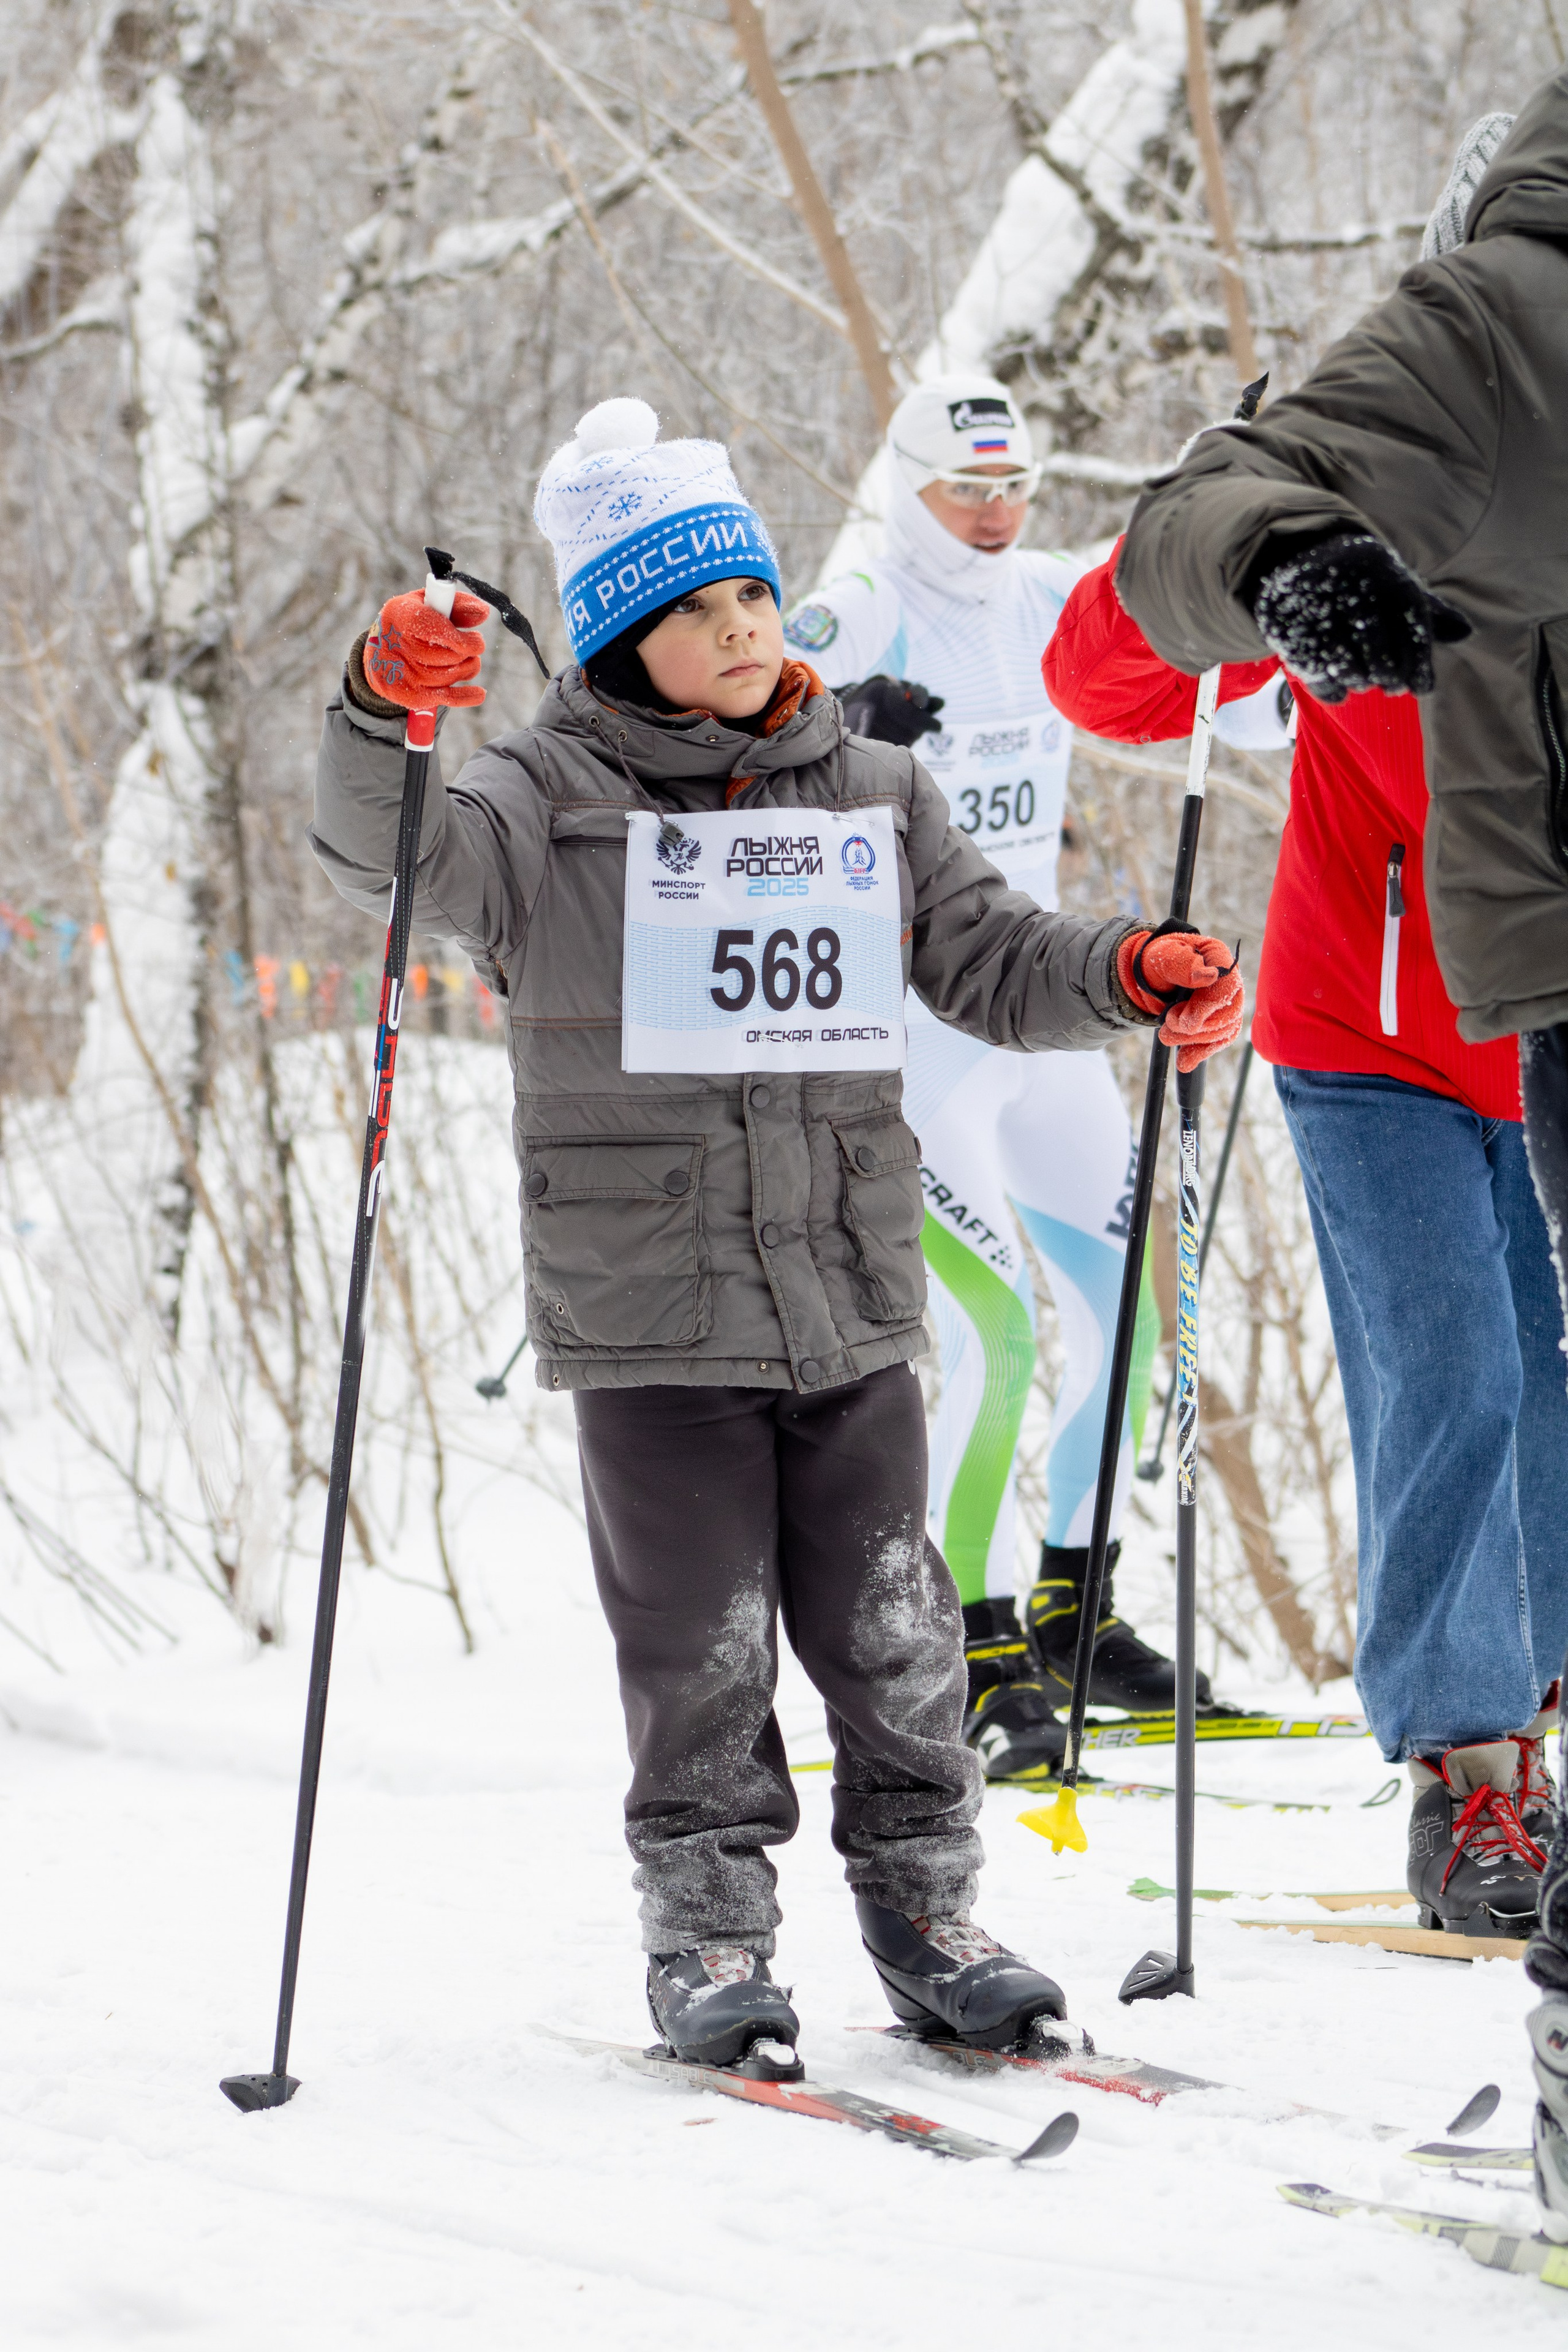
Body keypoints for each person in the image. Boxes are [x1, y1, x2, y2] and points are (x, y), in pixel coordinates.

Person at [309, 396, 1243, 2073]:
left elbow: (986, 954)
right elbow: (395, 856)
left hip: (849, 1288)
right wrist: (386, 712)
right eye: (698, 614)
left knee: (897, 1631)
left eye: (751, 601)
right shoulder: (536, 801)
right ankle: (713, 1936)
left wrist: (1124, 970)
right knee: (701, 1654)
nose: (743, 632)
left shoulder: (872, 787)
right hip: (653, 1310)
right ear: (617, 637)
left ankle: (931, 1911)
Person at [1102, 82, 1568, 2221]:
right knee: (1458, 1387)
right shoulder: (1426, 462)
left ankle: (1532, 1741)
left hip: (1510, 1039)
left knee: (1543, 1410)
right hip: (1376, 1042)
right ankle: (1466, 1779)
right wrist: (1289, 548)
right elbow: (1111, 660)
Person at [786, 374, 1210, 1789]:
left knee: (1127, 1328)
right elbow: (743, 758)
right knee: (993, 1343)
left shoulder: (1042, 595)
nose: (989, 510)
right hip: (912, 1035)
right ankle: (964, 1647)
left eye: (1011, 485)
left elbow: (1169, 599)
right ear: (903, 484)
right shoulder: (856, 603)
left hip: (1031, 1013)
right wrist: (838, 726)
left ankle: (1073, 1612)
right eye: (961, 490)